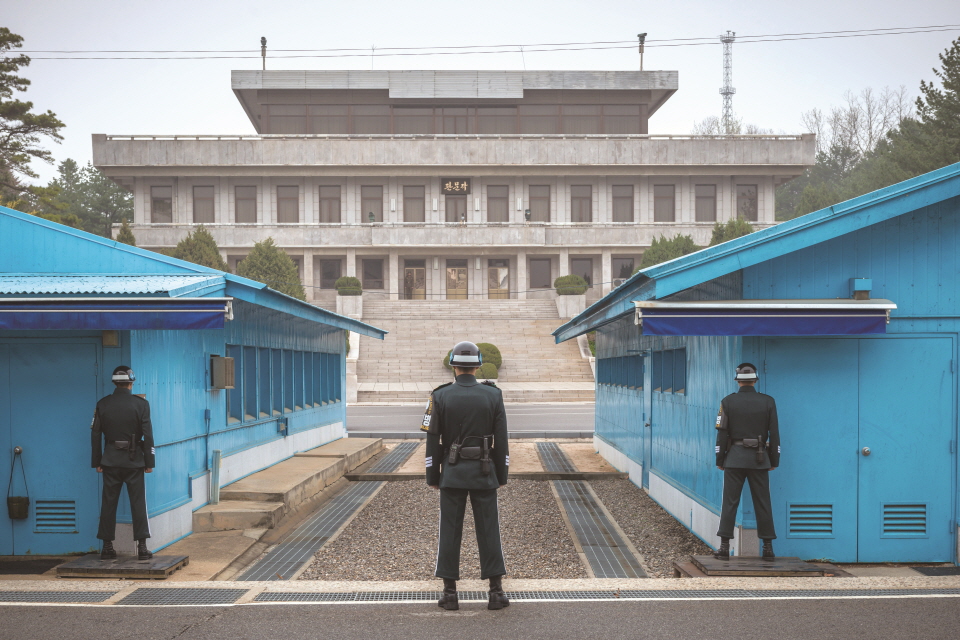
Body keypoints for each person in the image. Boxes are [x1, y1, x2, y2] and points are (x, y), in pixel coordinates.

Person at [422, 341, 509, 611]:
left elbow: (433, 440)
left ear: (453, 366)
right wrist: (501, 474)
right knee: (489, 530)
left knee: (449, 531)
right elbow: (502, 441)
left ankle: (449, 593)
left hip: (452, 471)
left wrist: (432, 475)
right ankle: (495, 592)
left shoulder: (439, 396)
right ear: (479, 365)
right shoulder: (493, 395)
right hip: (485, 472)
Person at [714, 362, 780, 560]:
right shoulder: (768, 402)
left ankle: (724, 546)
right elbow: (774, 434)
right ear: (755, 380)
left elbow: (721, 434)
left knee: (730, 503)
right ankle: (768, 548)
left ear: (737, 382)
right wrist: (774, 459)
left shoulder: (727, 402)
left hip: (734, 458)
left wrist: (720, 458)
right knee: (763, 502)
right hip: (760, 459)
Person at [91, 366, 155, 561]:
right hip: (134, 460)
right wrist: (149, 461)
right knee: (138, 503)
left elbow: (95, 434)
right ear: (131, 382)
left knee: (108, 503)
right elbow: (148, 435)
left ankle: (107, 547)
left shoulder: (102, 404)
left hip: (110, 459)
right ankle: (142, 547)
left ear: (113, 382)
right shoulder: (141, 404)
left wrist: (97, 462)